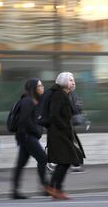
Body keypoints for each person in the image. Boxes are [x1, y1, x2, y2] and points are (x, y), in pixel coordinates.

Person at [11, 79, 55, 199]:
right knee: (42, 158)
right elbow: (24, 120)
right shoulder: (28, 101)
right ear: (33, 88)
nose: (42, 87)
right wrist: (36, 130)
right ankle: (45, 187)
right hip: (27, 136)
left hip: (26, 136)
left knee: (21, 163)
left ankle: (15, 191)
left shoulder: (33, 101)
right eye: (40, 86)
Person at [47, 72, 85, 200]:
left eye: (73, 80)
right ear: (62, 81)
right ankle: (57, 189)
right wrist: (64, 127)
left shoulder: (65, 95)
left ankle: (54, 187)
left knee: (65, 161)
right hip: (59, 134)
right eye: (70, 80)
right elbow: (54, 115)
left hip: (63, 133)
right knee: (66, 160)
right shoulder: (58, 95)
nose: (73, 82)